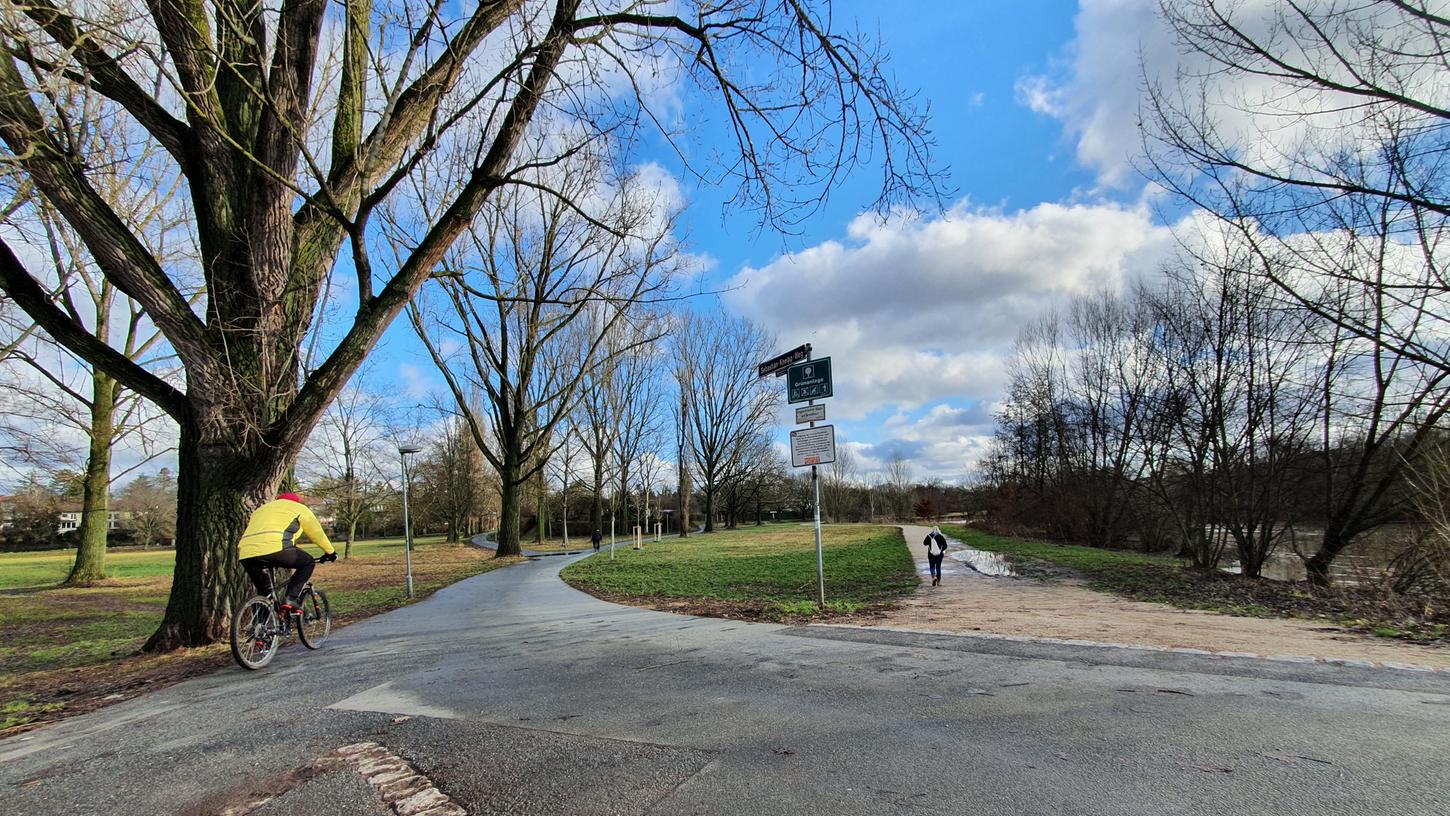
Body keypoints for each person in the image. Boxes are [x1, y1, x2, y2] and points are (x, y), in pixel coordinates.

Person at [238, 492, 337, 613]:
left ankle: (261, 627)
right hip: (276, 548)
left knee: (265, 592)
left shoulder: (261, 510)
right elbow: (316, 533)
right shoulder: (299, 508)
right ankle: (291, 598)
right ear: (295, 501)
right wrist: (330, 552)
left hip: (246, 553)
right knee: (308, 562)